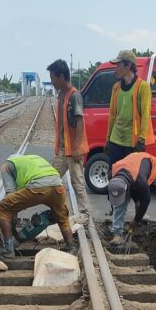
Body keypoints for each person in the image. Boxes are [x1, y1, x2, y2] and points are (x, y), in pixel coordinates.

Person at [0, 154, 76, 257]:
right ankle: (71, 247)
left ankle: (8, 249)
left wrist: (12, 222)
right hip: (59, 188)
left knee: (3, 208)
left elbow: (10, 195)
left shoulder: (6, 165)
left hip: (38, 188)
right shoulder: (32, 159)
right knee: (62, 217)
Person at [47, 59, 91, 223]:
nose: (52, 82)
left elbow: (80, 122)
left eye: (53, 78)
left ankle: (84, 213)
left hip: (73, 150)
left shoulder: (74, 96)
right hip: (62, 149)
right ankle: (57, 209)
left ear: (61, 77)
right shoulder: (61, 94)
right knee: (51, 177)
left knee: (77, 182)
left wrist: (77, 148)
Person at [107, 152, 156, 245]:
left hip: (153, 165)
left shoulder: (140, 181)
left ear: (126, 189)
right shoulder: (111, 175)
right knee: (120, 205)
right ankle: (117, 234)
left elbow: (145, 201)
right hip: (132, 167)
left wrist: (136, 221)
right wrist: (134, 202)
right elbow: (114, 199)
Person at [105, 50, 154, 165]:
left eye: (118, 65)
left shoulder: (143, 87)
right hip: (115, 141)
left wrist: (141, 139)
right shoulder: (116, 87)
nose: (116, 68)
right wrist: (108, 139)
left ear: (128, 65)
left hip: (133, 143)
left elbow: (145, 115)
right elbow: (112, 116)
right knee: (114, 174)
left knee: (131, 174)